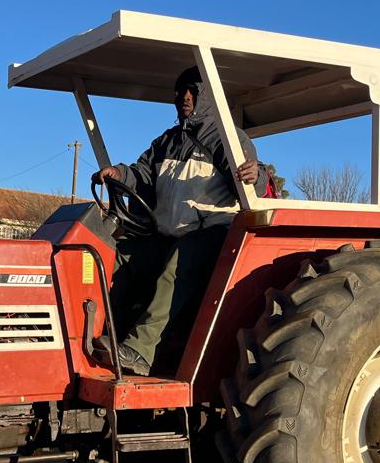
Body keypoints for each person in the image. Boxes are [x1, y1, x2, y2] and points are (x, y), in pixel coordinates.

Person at [93, 65, 268, 376]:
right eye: (181, 91)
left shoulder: (227, 139)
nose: (184, 97)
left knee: (177, 264)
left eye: (193, 91)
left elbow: (253, 179)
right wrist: (119, 173)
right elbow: (142, 175)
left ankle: (141, 351)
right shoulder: (168, 140)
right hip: (168, 234)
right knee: (120, 256)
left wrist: (256, 175)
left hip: (214, 235)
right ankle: (102, 334)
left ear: (207, 97)